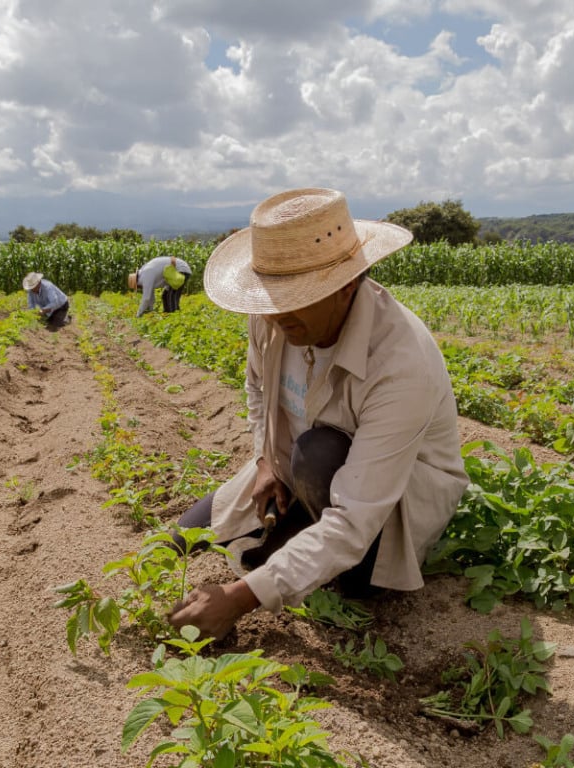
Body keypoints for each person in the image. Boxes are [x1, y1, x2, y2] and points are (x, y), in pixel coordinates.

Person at [167, 187, 469, 641]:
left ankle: (346, 575)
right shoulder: (271, 318)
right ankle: (295, 527)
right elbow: (256, 386)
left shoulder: (402, 363)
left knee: (318, 453)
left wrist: (239, 599)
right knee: (181, 538)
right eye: (271, 297)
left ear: (346, 285)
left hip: (384, 505)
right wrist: (266, 459)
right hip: (296, 470)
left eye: (294, 296)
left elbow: (353, 522)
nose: (274, 313)